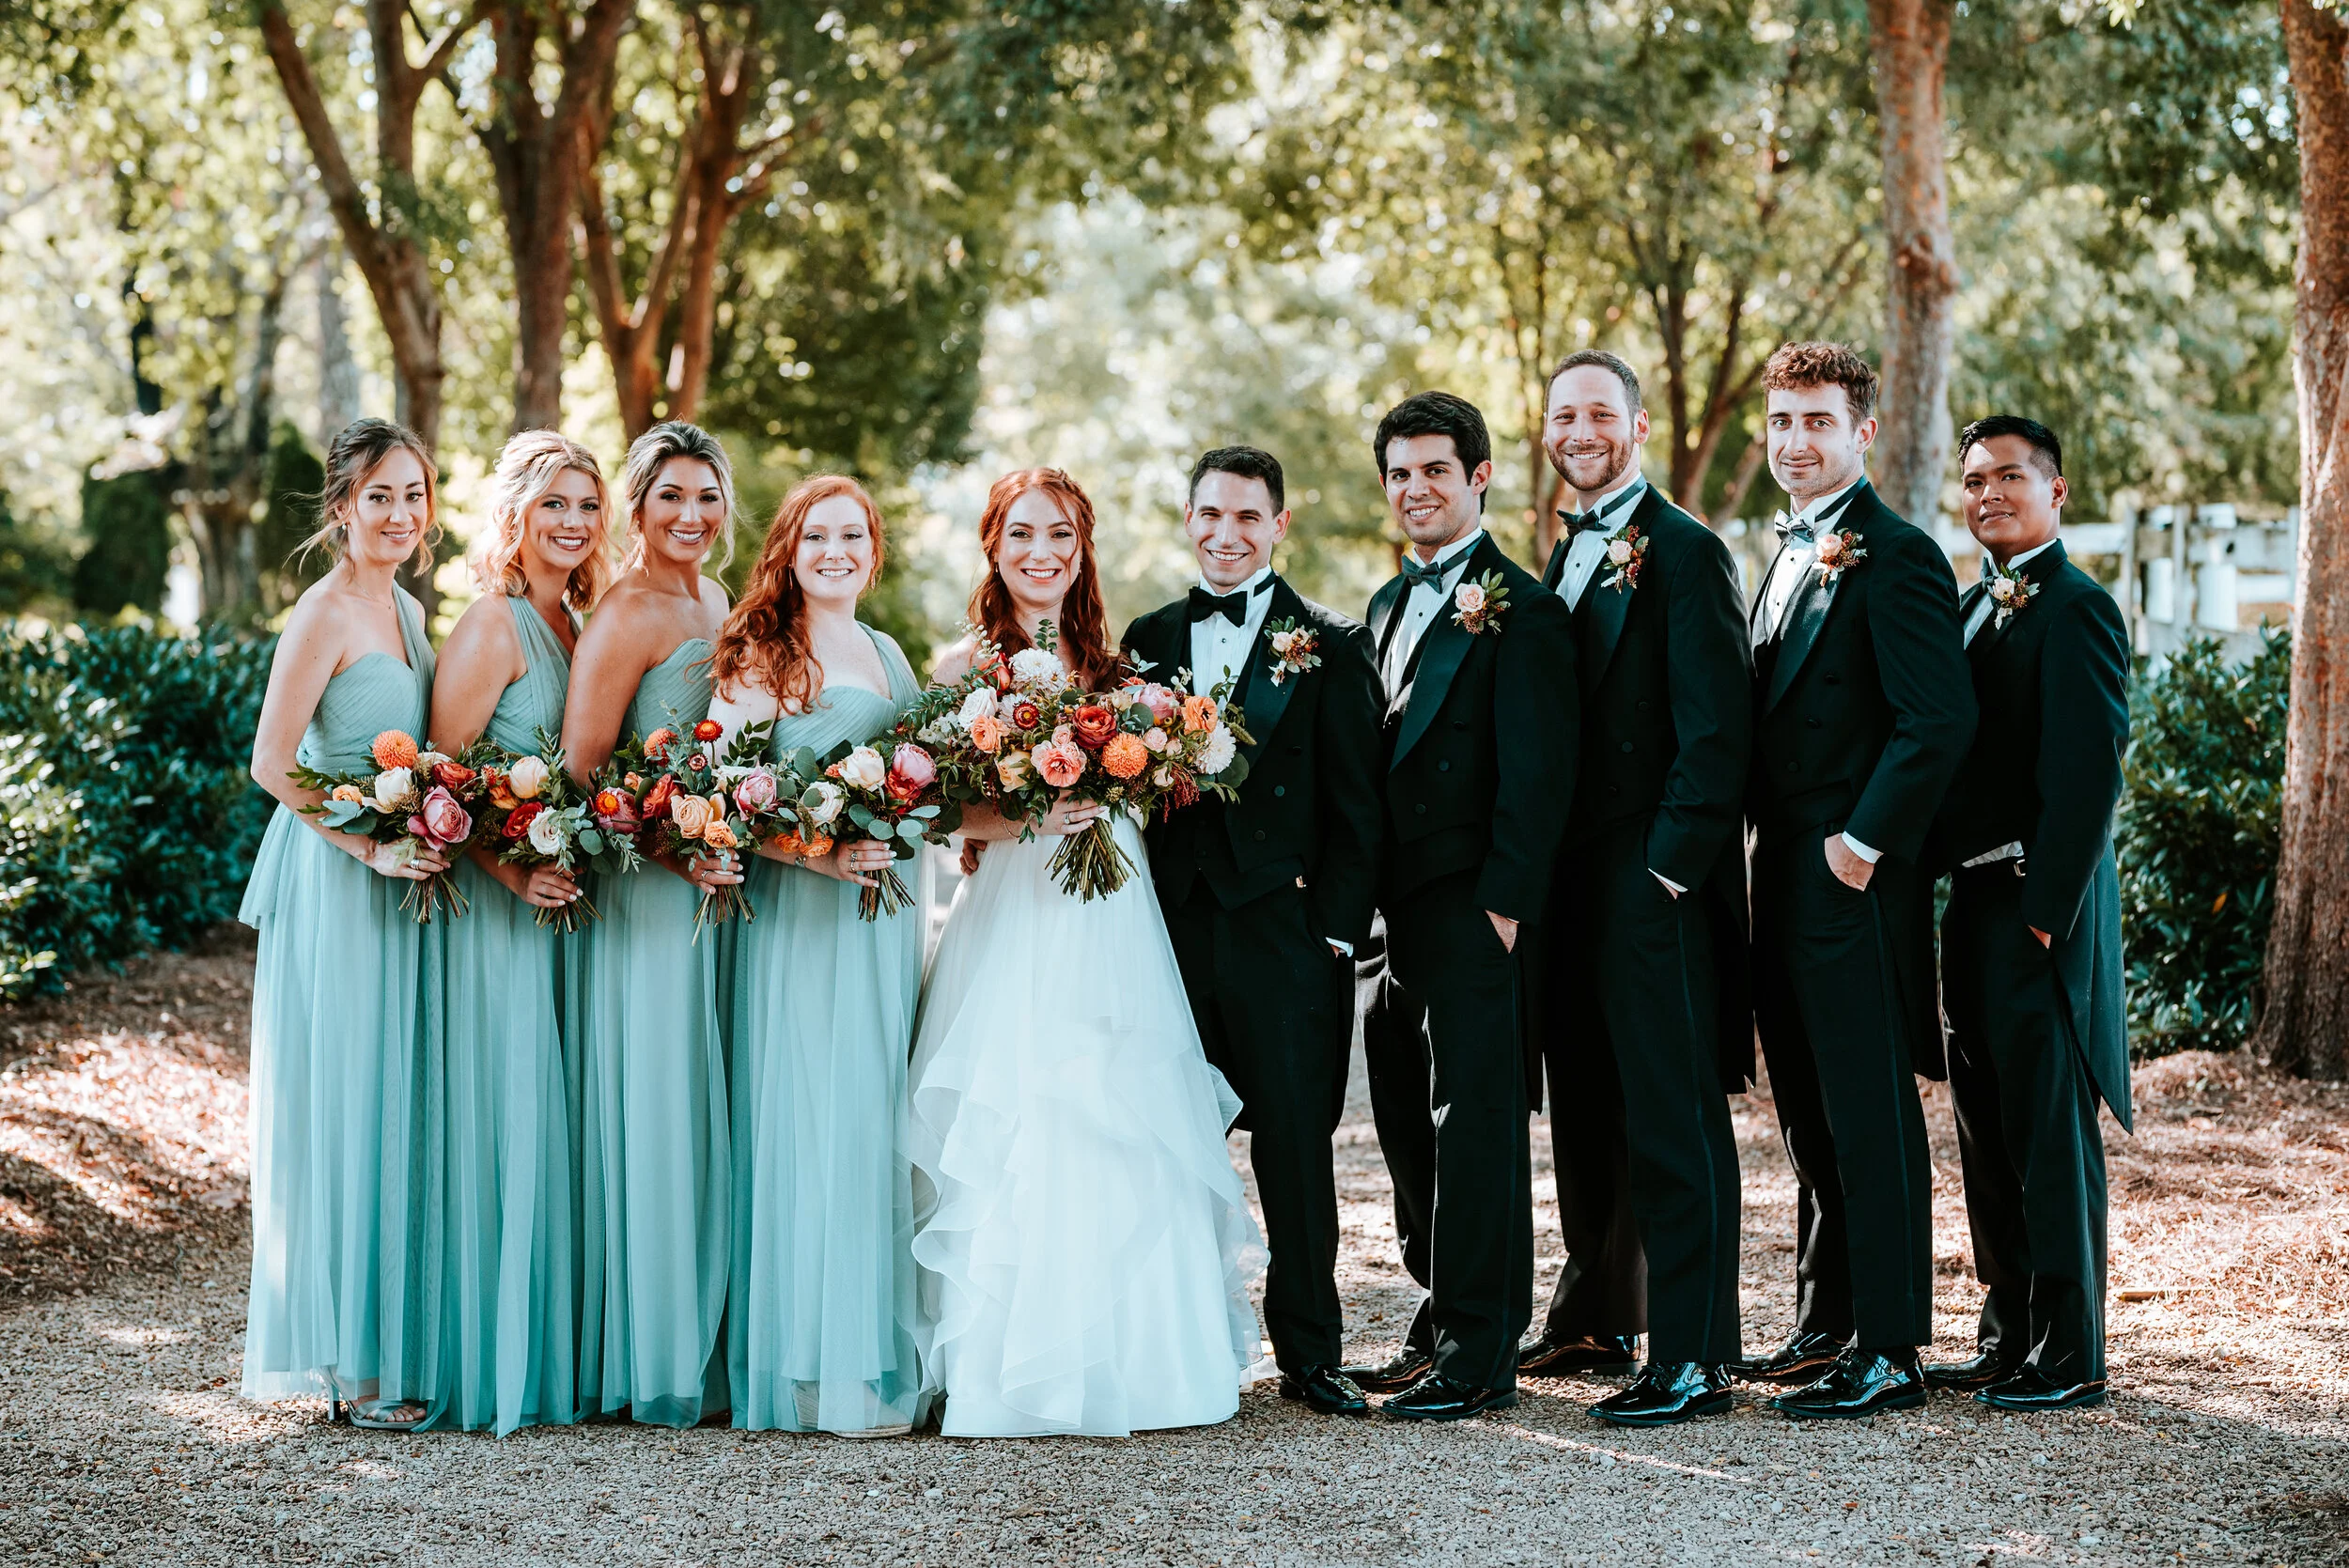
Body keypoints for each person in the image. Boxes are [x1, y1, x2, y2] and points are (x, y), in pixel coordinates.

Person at [908, 467, 1265, 1438]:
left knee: (1121, 1111)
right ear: (993, 544)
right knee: (1020, 1114)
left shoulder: (1120, 665)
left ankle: (1140, 1362)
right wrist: (1026, 812)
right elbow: (938, 808)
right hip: (1013, 913)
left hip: (1114, 918)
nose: (1042, 553)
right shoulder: (960, 668)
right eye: (1022, 533)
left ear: (1081, 548)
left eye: (1060, 535)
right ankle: (1010, 1369)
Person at [1119, 446, 1386, 1419]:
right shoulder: (1145, 639)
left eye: (1246, 517)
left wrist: (1334, 937)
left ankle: (1312, 1354)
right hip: (1173, 936)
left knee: (1294, 1150)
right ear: (1186, 518)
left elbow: (1360, 809)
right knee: (1167, 1141)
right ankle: (1174, 1341)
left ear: (1279, 524)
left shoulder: (1332, 641)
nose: (1225, 534)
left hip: (1285, 937)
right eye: (1209, 515)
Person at [1735, 343, 1975, 1420]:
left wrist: (1861, 845)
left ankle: (1889, 1346)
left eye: (1816, 421)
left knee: (1869, 1111)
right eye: (1782, 421)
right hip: (1778, 874)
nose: (1795, 441)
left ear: (1862, 431)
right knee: (1808, 1109)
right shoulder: (1782, 550)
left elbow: (1939, 721)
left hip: (1851, 879)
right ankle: (1826, 1320)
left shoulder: (1899, 553)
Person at [1525, 352, 1751, 1425]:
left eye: (1598, 414)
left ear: (1638, 425)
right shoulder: (1560, 551)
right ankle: (1599, 1313)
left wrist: (1665, 871)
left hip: (1650, 884)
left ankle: (1696, 1351)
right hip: (1568, 884)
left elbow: (1716, 734)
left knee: (1672, 1114)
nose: (1579, 430)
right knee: (1586, 1104)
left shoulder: (1686, 551)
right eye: (1563, 414)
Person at [1346, 392, 1578, 1422]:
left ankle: (1482, 1354)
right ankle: (1440, 1315)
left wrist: (1506, 910)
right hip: (1398, 914)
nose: (1415, 490)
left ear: (1478, 476)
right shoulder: (1386, 606)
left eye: (1434, 469)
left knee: (1474, 1124)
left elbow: (1541, 769)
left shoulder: (1521, 607)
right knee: (1405, 1115)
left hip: (1478, 906)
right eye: (1399, 473)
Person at [707, 476, 929, 1436]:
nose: (836, 551)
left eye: (853, 535)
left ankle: (870, 1352)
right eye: (817, 535)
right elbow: (725, 801)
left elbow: (929, 775)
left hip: (882, 931)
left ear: (871, 550)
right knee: (805, 1114)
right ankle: (801, 1360)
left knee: (872, 1117)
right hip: (801, 921)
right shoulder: (765, 653)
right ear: (788, 551)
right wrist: (824, 850)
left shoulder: (884, 651)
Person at [240, 418, 445, 1429]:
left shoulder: (406, 608)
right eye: (380, 497)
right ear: (341, 508)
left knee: (390, 1097)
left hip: (399, 869)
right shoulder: (323, 612)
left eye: (414, 495)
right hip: (337, 874)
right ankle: (348, 1367)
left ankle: (382, 1339)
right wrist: (367, 845)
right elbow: (272, 764)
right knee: (346, 1099)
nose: (400, 515)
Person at [1922, 416, 2131, 1413]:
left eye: (2010, 475)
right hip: (1967, 903)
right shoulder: (1970, 610)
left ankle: (2069, 1352)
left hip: (2032, 911)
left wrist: (2046, 913)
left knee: (2049, 1135)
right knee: (1985, 1130)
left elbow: (2091, 774)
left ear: (2057, 492)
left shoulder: (2077, 609)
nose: (1989, 493)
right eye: (1974, 479)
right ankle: (2007, 1333)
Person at [412, 430, 604, 1435]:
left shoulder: (580, 623)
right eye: (553, 506)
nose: (571, 523)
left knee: (557, 1121)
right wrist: (510, 865)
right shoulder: (491, 626)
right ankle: (493, 1362)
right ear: (514, 517)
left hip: (572, 909)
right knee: (508, 1117)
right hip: (500, 911)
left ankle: (554, 1355)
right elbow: (439, 783)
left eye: (585, 505)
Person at [560, 422, 741, 1428]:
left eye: (706, 496)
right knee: (657, 1107)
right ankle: (650, 1352)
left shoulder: (715, 599)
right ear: (637, 507)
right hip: (649, 888)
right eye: (670, 496)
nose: (690, 516)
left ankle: (704, 1336)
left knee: (703, 1104)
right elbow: (588, 773)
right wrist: (674, 849)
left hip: (715, 884)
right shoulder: (626, 612)